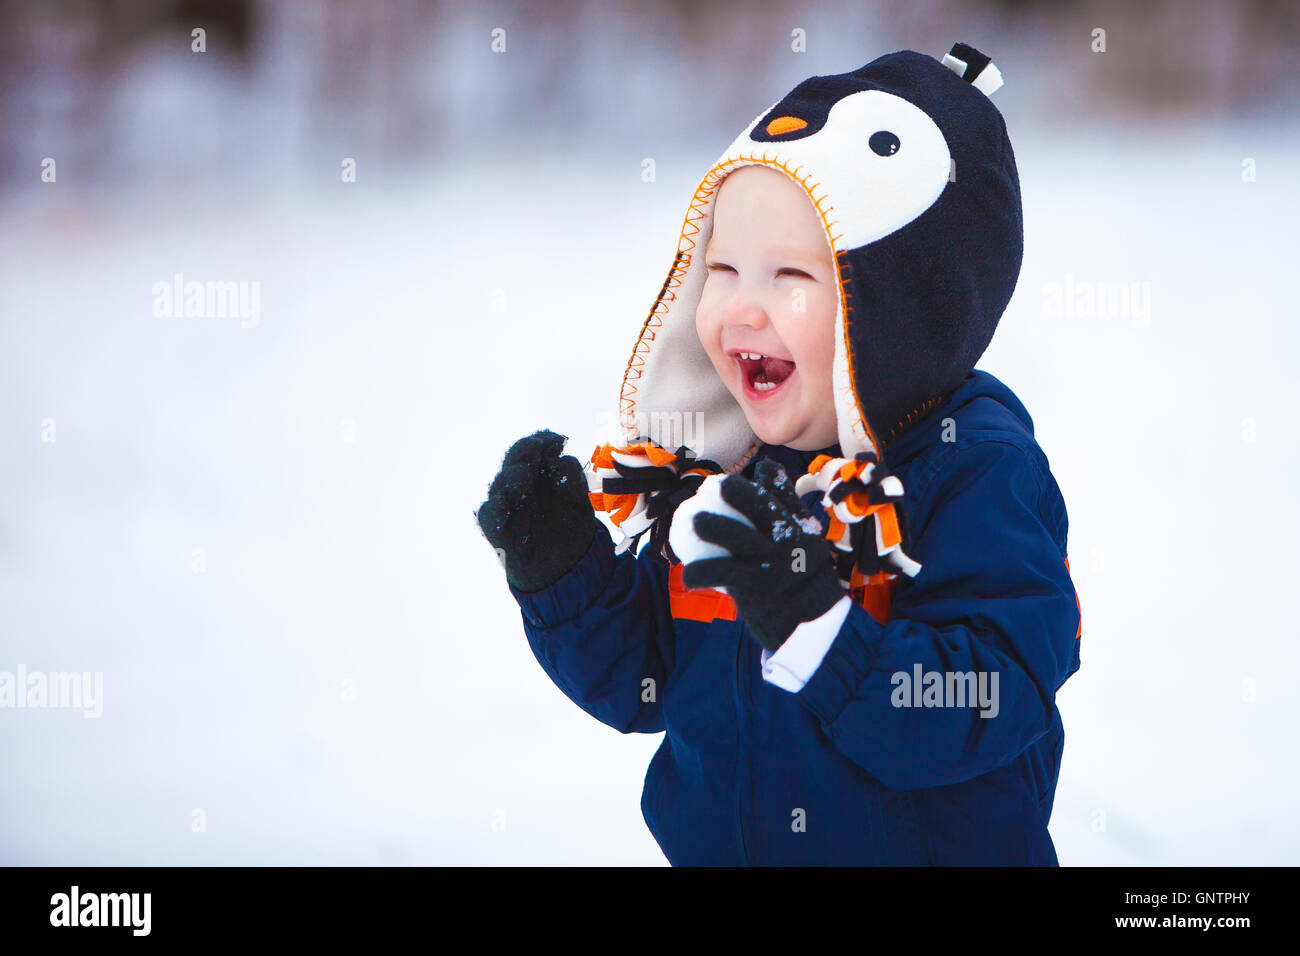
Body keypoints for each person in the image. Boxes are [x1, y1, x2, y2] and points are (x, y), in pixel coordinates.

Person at [476, 43, 1082, 865]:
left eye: (790, 275)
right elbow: (652, 673)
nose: (741, 311)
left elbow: (992, 696)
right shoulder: (731, 469)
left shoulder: (975, 471)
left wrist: (818, 627)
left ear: (900, 303)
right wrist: (568, 577)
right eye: (721, 269)